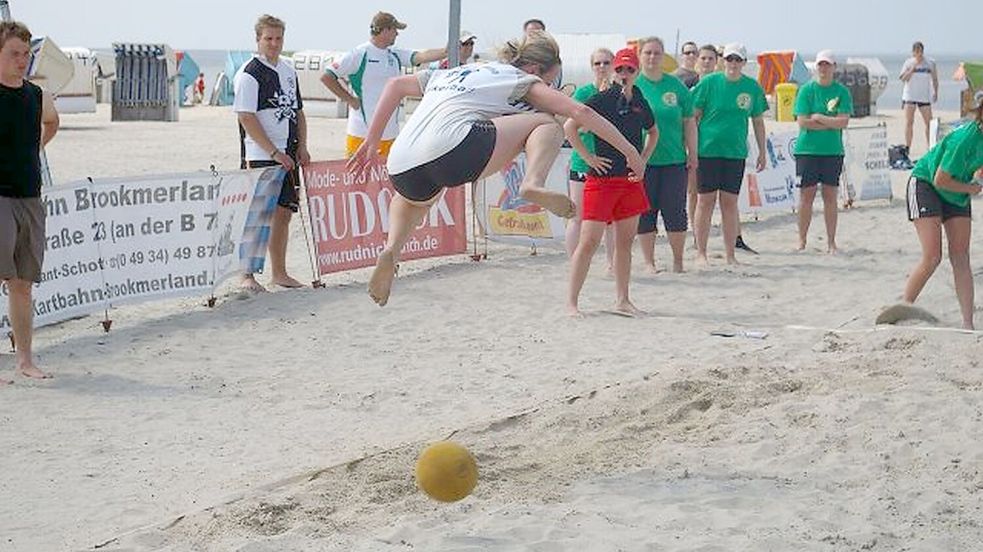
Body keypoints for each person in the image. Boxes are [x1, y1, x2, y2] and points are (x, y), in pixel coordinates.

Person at [348, 31, 645, 307]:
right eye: (549, 81)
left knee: (413, 201)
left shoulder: (458, 71)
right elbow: (580, 112)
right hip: (456, 146)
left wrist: (372, 138)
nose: (548, 88)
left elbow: (395, 85)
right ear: (533, 69)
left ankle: (391, 250)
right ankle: (533, 182)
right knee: (547, 122)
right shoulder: (519, 79)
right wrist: (630, 151)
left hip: (402, 161)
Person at [564, 48, 657, 317]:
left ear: (636, 72)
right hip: (602, 179)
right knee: (589, 240)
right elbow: (570, 126)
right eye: (620, 69)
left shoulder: (639, 99)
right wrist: (588, 156)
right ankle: (572, 302)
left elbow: (653, 131)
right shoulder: (603, 98)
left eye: (629, 69)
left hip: (629, 179)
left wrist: (643, 158)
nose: (624, 74)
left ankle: (622, 299)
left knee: (625, 243)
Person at [233, 14, 310, 291]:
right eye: (268, 38)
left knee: (284, 213)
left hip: (289, 153)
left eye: (278, 38)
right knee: (257, 215)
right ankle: (247, 275)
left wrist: (302, 146)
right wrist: (275, 152)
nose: (274, 44)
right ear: (258, 39)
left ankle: (280, 272)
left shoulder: (289, 71)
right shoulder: (250, 73)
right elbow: (246, 117)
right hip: (261, 154)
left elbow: (298, 112)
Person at [0, 21, 59, 383]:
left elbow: (52, 122)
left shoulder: (36, 95)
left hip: (30, 197)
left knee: (23, 284)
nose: (22, 61)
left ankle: (24, 359)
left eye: (26, 54)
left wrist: (35, 147)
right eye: (14, 54)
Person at [902, 90, 983, 330]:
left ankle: (968, 324)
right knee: (932, 257)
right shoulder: (965, 139)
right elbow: (940, 179)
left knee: (961, 256)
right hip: (927, 183)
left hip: (957, 190)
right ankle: (903, 308)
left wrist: (975, 180)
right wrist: (971, 188)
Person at [321, 12, 446, 159]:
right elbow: (327, 76)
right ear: (385, 30)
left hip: (390, 136)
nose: (397, 34)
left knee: (387, 182)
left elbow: (422, 56)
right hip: (362, 135)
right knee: (360, 181)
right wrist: (350, 100)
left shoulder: (395, 54)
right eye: (395, 30)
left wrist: (446, 51)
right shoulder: (359, 54)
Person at [691, 43, 767, 266]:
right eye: (730, 59)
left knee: (729, 203)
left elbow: (758, 121)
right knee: (704, 202)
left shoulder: (751, 87)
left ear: (744, 62)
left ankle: (730, 255)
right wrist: (691, 148)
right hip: (708, 151)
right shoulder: (709, 82)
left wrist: (762, 151)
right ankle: (701, 253)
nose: (733, 63)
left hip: (735, 153)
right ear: (723, 60)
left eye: (738, 60)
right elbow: (693, 116)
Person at [635, 37, 696, 274]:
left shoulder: (676, 86)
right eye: (648, 53)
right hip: (644, 162)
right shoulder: (634, 85)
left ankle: (678, 261)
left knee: (675, 213)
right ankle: (649, 262)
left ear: (663, 57)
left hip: (674, 160)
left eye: (657, 53)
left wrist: (693, 154)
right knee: (646, 213)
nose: (652, 57)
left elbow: (689, 121)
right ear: (640, 55)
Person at [793, 50, 853, 254]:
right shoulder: (806, 90)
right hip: (807, 150)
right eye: (820, 65)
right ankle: (801, 240)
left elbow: (843, 121)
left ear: (834, 67)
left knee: (830, 196)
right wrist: (830, 123)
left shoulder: (841, 91)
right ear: (816, 67)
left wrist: (820, 117)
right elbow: (803, 122)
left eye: (827, 64)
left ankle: (831, 242)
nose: (824, 68)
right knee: (806, 196)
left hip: (832, 151)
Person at [566, 47, 615, 271]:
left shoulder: (619, 93)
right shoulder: (584, 93)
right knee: (578, 216)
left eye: (606, 63)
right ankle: (573, 261)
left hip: (611, 163)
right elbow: (573, 128)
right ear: (592, 67)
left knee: (611, 219)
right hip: (583, 161)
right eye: (598, 64)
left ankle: (613, 263)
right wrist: (588, 157)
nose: (602, 68)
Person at [900, 41, 939, 153]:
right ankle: (907, 147)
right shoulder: (908, 62)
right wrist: (912, 68)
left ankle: (930, 147)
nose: (919, 54)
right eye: (916, 51)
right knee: (909, 122)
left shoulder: (930, 63)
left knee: (929, 123)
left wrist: (936, 92)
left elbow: (935, 79)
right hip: (910, 96)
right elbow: (903, 78)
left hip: (924, 96)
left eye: (920, 51)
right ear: (913, 52)